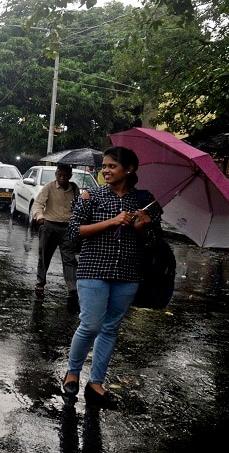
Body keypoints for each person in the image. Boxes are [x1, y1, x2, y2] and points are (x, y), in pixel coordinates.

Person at [61, 146, 162, 409]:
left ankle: (96, 382)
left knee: (111, 328)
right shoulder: (89, 196)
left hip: (128, 273)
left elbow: (154, 242)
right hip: (93, 269)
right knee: (91, 325)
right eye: (104, 166)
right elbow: (74, 233)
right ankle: (72, 372)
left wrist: (142, 229)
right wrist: (112, 222)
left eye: (112, 166)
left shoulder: (144, 200)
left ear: (128, 169)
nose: (105, 170)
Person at [32, 164, 79, 299]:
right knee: (44, 256)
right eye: (59, 175)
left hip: (68, 228)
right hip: (50, 226)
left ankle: (72, 288)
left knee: (69, 258)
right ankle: (40, 282)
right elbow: (38, 203)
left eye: (65, 175)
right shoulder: (49, 187)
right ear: (56, 175)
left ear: (70, 176)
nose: (62, 178)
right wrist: (39, 216)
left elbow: (78, 206)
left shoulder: (74, 188)